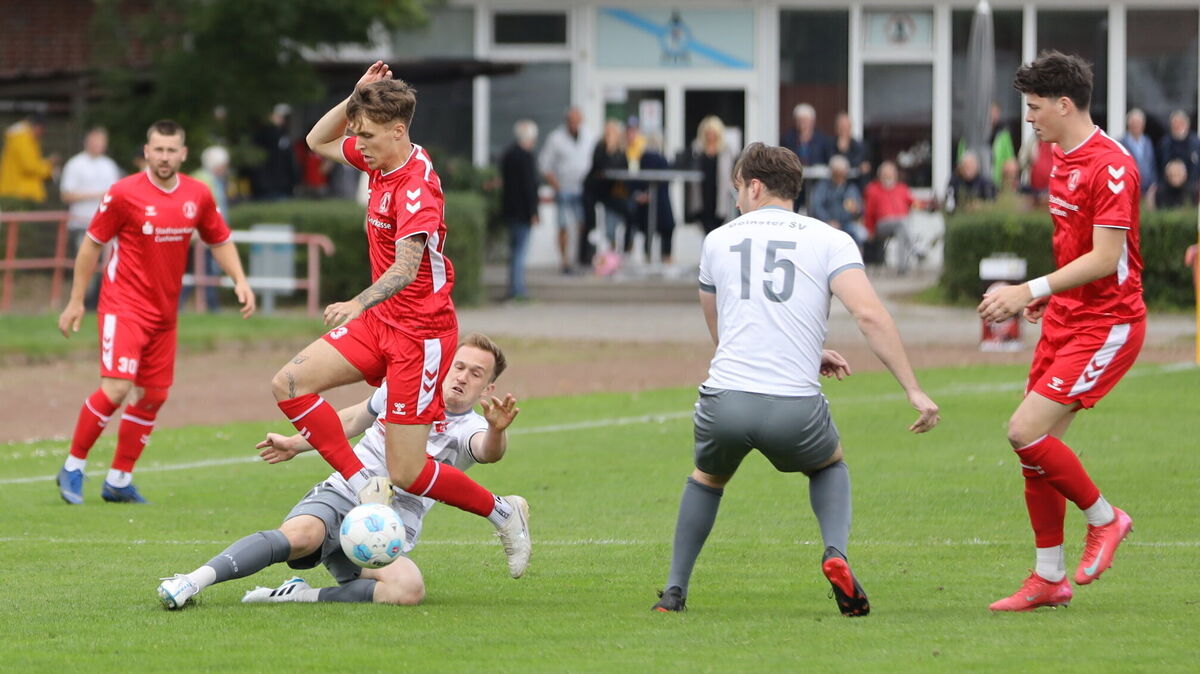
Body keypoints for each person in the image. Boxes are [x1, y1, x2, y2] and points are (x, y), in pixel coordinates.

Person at [652, 142, 940, 616]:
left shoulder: (717, 240)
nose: (736, 200)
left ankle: (674, 591)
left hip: (726, 399)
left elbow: (722, 328)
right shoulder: (830, 239)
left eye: (737, 189)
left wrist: (797, 351)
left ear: (755, 187)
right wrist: (913, 388)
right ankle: (835, 553)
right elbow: (869, 315)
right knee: (829, 466)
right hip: (794, 406)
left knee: (707, 477)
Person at [283, 61, 531, 579]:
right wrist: (355, 97)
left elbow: (407, 267)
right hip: (381, 322)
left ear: (398, 131)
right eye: (358, 135)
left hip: (421, 335)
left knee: (408, 471)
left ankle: (503, 513)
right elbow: (315, 140)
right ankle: (361, 483)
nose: (359, 145)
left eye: (368, 136)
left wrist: (357, 303)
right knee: (289, 384)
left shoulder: (418, 186)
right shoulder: (379, 158)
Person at [156, 335, 518, 609]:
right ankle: (192, 580)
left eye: (476, 374)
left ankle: (296, 596)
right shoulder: (404, 389)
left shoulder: (471, 428)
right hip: (344, 494)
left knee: (408, 590)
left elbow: (487, 451)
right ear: (444, 366)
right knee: (300, 538)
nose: (462, 377)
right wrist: (294, 443)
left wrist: (497, 431)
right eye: (458, 366)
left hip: (386, 529)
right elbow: (352, 419)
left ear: (488, 388)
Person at [978, 50, 1144, 612]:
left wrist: (1029, 289)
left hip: (1108, 323)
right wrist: (1051, 297)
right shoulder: (1059, 158)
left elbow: (1105, 258)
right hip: (1068, 318)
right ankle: (1049, 577)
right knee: (1036, 452)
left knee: (1023, 430)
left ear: (1065, 104)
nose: (1028, 118)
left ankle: (1106, 518)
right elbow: (1077, 253)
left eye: (1034, 107)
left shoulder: (1111, 165)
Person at [54, 120, 256, 504]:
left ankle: (118, 480)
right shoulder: (123, 193)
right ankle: (73, 466)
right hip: (123, 306)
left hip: (165, 314)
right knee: (116, 388)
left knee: (154, 395)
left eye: (171, 150)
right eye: (158, 150)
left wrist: (240, 280)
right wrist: (77, 300)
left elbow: (219, 239)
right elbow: (91, 245)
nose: (164, 157)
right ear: (147, 152)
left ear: (183, 154)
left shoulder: (197, 194)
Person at [60, 127, 122, 310]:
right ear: (87, 141)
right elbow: (66, 195)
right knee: (86, 265)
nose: (98, 144)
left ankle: (97, 303)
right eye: (95, 140)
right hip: (82, 224)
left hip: (107, 225)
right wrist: (97, 194)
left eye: (101, 141)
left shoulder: (109, 165)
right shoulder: (75, 164)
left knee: (107, 265)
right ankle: (80, 302)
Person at [538, 106, 593, 273]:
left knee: (582, 226)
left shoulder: (589, 137)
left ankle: (579, 258)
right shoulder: (556, 138)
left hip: (583, 190)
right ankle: (564, 261)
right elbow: (544, 165)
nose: (574, 124)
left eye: (577, 121)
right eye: (571, 121)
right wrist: (556, 185)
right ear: (567, 121)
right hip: (564, 189)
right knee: (563, 226)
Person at [181, 145, 233, 311]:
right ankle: (212, 307)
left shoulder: (206, 178)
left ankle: (180, 305)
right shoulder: (205, 179)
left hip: (203, 234)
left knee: (198, 272)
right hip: (203, 235)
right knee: (204, 271)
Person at [499, 120, 540, 301]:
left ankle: (514, 288)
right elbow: (529, 187)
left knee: (514, 251)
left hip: (510, 210)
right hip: (523, 212)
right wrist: (534, 212)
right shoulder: (526, 157)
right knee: (520, 252)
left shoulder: (508, 155)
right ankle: (518, 290)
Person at [627, 132, 676, 266]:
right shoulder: (660, 159)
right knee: (666, 228)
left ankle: (648, 257)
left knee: (649, 231)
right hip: (660, 201)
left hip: (647, 201)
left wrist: (639, 194)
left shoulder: (642, 158)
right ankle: (666, 258)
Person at [584, 119, 629, 264]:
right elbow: (600, 166)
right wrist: (608, 150)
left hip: (610, 193)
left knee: (622, 217)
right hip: (594, 191)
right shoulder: (600, 147)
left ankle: (616, 254)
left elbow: (623, 170)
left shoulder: (621, 150)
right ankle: (589, 256)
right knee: (591, 224)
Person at [684, 115, 737, 236]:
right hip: (702, 194)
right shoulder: (697, 150)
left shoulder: (726, 151)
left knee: (717, 228)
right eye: (708, 132)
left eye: (713, 132)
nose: (710, 136)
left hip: (719, 195)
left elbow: (733, 171)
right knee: (705, 228)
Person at [862, 160, 917, 273]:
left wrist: (929, 205)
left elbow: (914, 203)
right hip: (881, 226)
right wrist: (869, 229)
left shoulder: (902, 188)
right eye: (885, 175)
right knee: (902, 223)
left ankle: (902, 267)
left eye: (890, 174)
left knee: (901, 229)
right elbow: (869, 211)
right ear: (880, 176)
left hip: (900, 224)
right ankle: (916, 249)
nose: (888, 177)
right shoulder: (873, 189)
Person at [780, 103, 833, 210]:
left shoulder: (822, 139)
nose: (802, 123)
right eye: (799, 120)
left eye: (805, 120)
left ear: (812, 121)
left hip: (817, 181)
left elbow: (828, 159)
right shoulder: (788, 138)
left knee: (817, 200)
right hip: (795, 180)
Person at [809, 155, 867, 249]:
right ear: (832, 171)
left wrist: (856, 210)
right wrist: (828, 221)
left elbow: (859, 210)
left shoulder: (851, 188)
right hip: (825, 224)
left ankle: (858, 255)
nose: (840, 175)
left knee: (860, 233)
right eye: (837, 172)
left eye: (843, 172)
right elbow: (816, 207)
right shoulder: (822, 186)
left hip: (846, 223)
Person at [0, 113, 55, 204]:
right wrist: (49, 166)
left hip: (16, 192)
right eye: (43, 130)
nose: (42, 134)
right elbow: (30, 167)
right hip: (20, 194)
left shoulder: (22, 138)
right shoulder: (23, 139)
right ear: (38, 127)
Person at [250, 103, 297, 200]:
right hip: (267, 185)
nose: (282, 119)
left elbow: (289, 159)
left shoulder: (283, 134)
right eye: (279, 116)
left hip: (282, 183)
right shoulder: (263, 134)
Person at [1157, 109, 1200, 189]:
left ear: (1187, 125)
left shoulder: (1195, 143)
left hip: (1192, 187)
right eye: (1175, 124)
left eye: (1180, 123)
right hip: (1168, 188)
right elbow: (1159, 165)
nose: (1177, 126)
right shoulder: (1164, 143)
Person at [1120, 108, 1157, 197]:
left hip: (1148, 192)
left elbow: (1152, 165)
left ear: (1143, 125)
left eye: (1139, 123)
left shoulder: (1148, 142)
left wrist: (1153, 186)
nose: (1136, 126)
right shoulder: (1121, 143)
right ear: (1128, 124)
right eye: (1133, 123)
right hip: (1129, 191)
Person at [833, 112, 870, 191]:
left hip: (853, 184)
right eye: (841, 126)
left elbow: (858, 162)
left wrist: (844, 152)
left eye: (846, 127)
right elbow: (831, 161)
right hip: (833, 184)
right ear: (836, 128)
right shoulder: (830, 144)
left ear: (850, 128)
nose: (844, 129)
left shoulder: (859, 146)